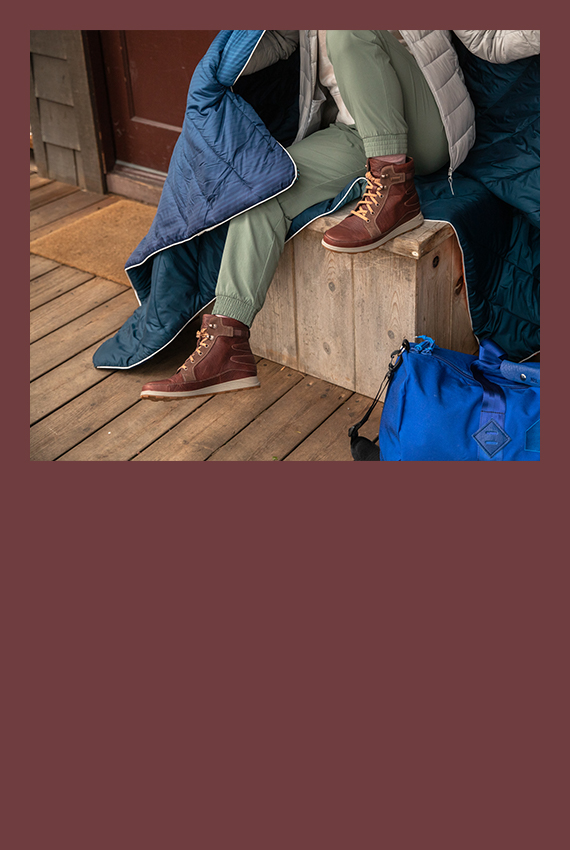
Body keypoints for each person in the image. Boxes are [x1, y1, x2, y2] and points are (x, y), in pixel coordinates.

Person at [137, 30, 540, 401]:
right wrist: (226, 58)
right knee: (262, 193)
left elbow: (488, 37)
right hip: (355, 132)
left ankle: (395, 189)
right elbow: (274, 40)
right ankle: (227, 345)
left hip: (427, 124)